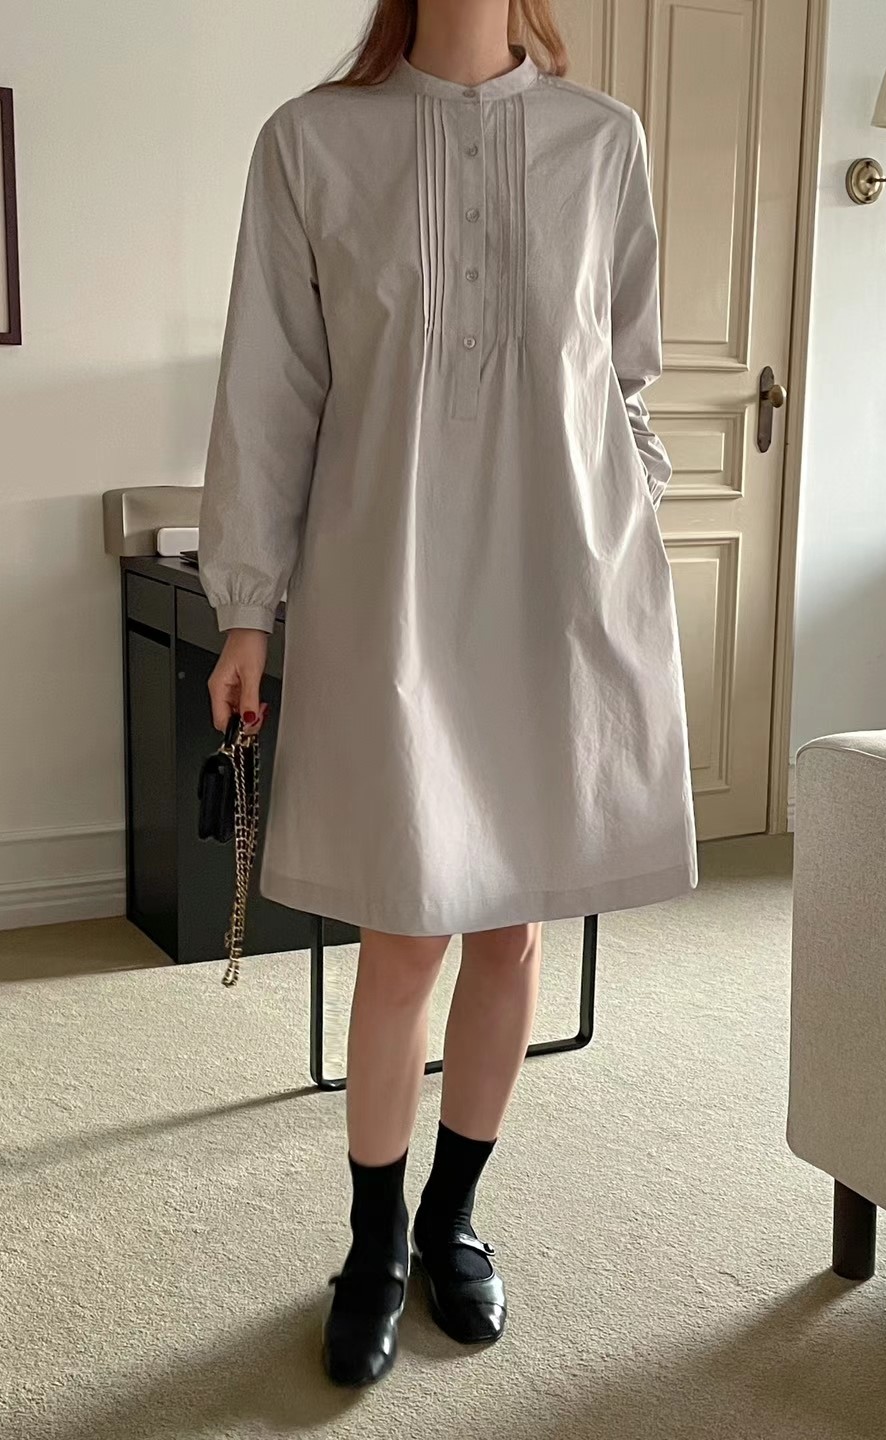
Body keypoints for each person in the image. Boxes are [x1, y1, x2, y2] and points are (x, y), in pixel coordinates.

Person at [197, 0, 697, 1390]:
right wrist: (247, 608)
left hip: (556, 586)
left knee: (513, 930)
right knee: (404, 932)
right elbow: (269, 391)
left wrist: (626, 531)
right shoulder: (311, 144)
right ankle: (372, 1247)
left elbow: (625, 377)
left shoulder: (604, 142)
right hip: (391, 592)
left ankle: (452, 1219)